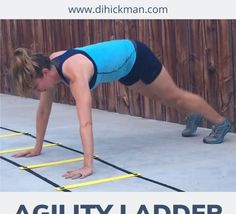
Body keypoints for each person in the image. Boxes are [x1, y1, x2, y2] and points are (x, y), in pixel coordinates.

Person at [11, 39, 232, 179]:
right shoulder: (50, 65)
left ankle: (220, 123)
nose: (37, 91)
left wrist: (87, 166)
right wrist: (37, 147)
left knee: (174, 95)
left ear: (45, 74)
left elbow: (85, 122)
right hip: (122, 69)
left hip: (136, 57)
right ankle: (193, 114)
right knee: (159, 96)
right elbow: (43, 111)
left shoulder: (75, 73)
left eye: (35, 86)